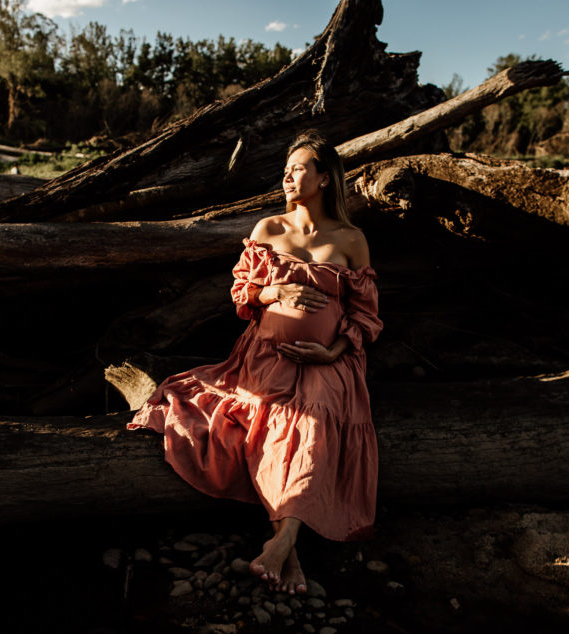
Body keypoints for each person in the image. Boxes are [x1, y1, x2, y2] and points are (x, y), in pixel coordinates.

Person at [127, 131, 383, 594]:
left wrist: (332, 351)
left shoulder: (351, 239)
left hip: (329, 362)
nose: (287, 174)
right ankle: (289, 550)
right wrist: (275, 291)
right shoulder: (269, 230)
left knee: (317, 421)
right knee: (276, 422)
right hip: (265, 354)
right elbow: (242, 292)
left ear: (325, 178)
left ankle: (282, 544)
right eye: (286, 167)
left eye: (300, 167)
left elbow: (366, 315)